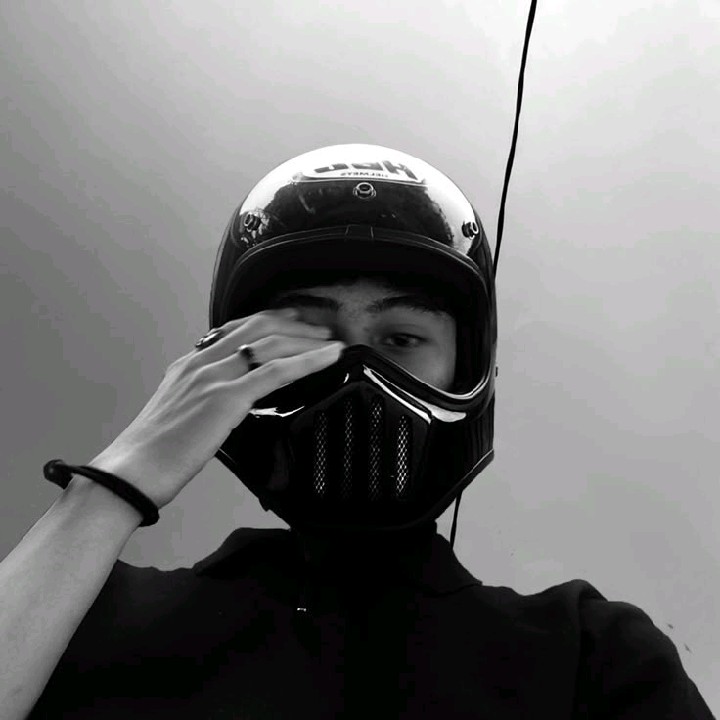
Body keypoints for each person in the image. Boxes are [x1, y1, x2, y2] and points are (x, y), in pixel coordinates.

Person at [0, 144, 714, 719]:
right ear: (222, 363)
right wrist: (119, 479)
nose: (356, 373)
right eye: (306, 336)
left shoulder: (589, 654)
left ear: (469, 367)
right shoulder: (85, 615)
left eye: (401, 338)